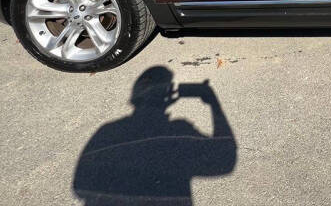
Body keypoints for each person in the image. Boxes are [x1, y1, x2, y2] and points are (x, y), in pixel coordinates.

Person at [73, 66, 236, 205]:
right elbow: (225, 159)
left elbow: (80, 185)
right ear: (169, 94)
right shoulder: (178, 131)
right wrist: (213, 102)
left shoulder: (109, 131)